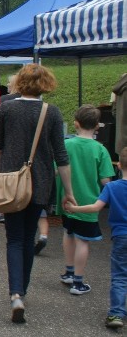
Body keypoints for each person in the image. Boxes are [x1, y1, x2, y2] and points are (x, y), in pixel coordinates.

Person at [0, 64, 75, 322]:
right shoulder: (52, 112)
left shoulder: (6, 108)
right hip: (41, 183)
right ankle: (22, 291)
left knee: (14, 239)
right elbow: (61, 156)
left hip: (12, 184)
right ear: (46, 84)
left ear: (20, 82)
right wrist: (68, 192)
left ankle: (15, 294)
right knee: (28, 238)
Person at [55, 105, 115, 295]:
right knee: (83, 241)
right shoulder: (100, 149)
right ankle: (78, 282)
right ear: (97, 126)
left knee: (68, 232)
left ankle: (68, 271)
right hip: (88, 202)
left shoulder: (66, 144)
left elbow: (56, 170)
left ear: (75, 123)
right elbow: (106, 180)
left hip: (66, 200)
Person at [65, 146, 127, 330]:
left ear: (119, 165)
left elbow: (95, 208)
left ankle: (116, 313)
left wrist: (74, 209)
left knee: (120, 276)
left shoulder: (113, 187)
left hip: (121, 236)